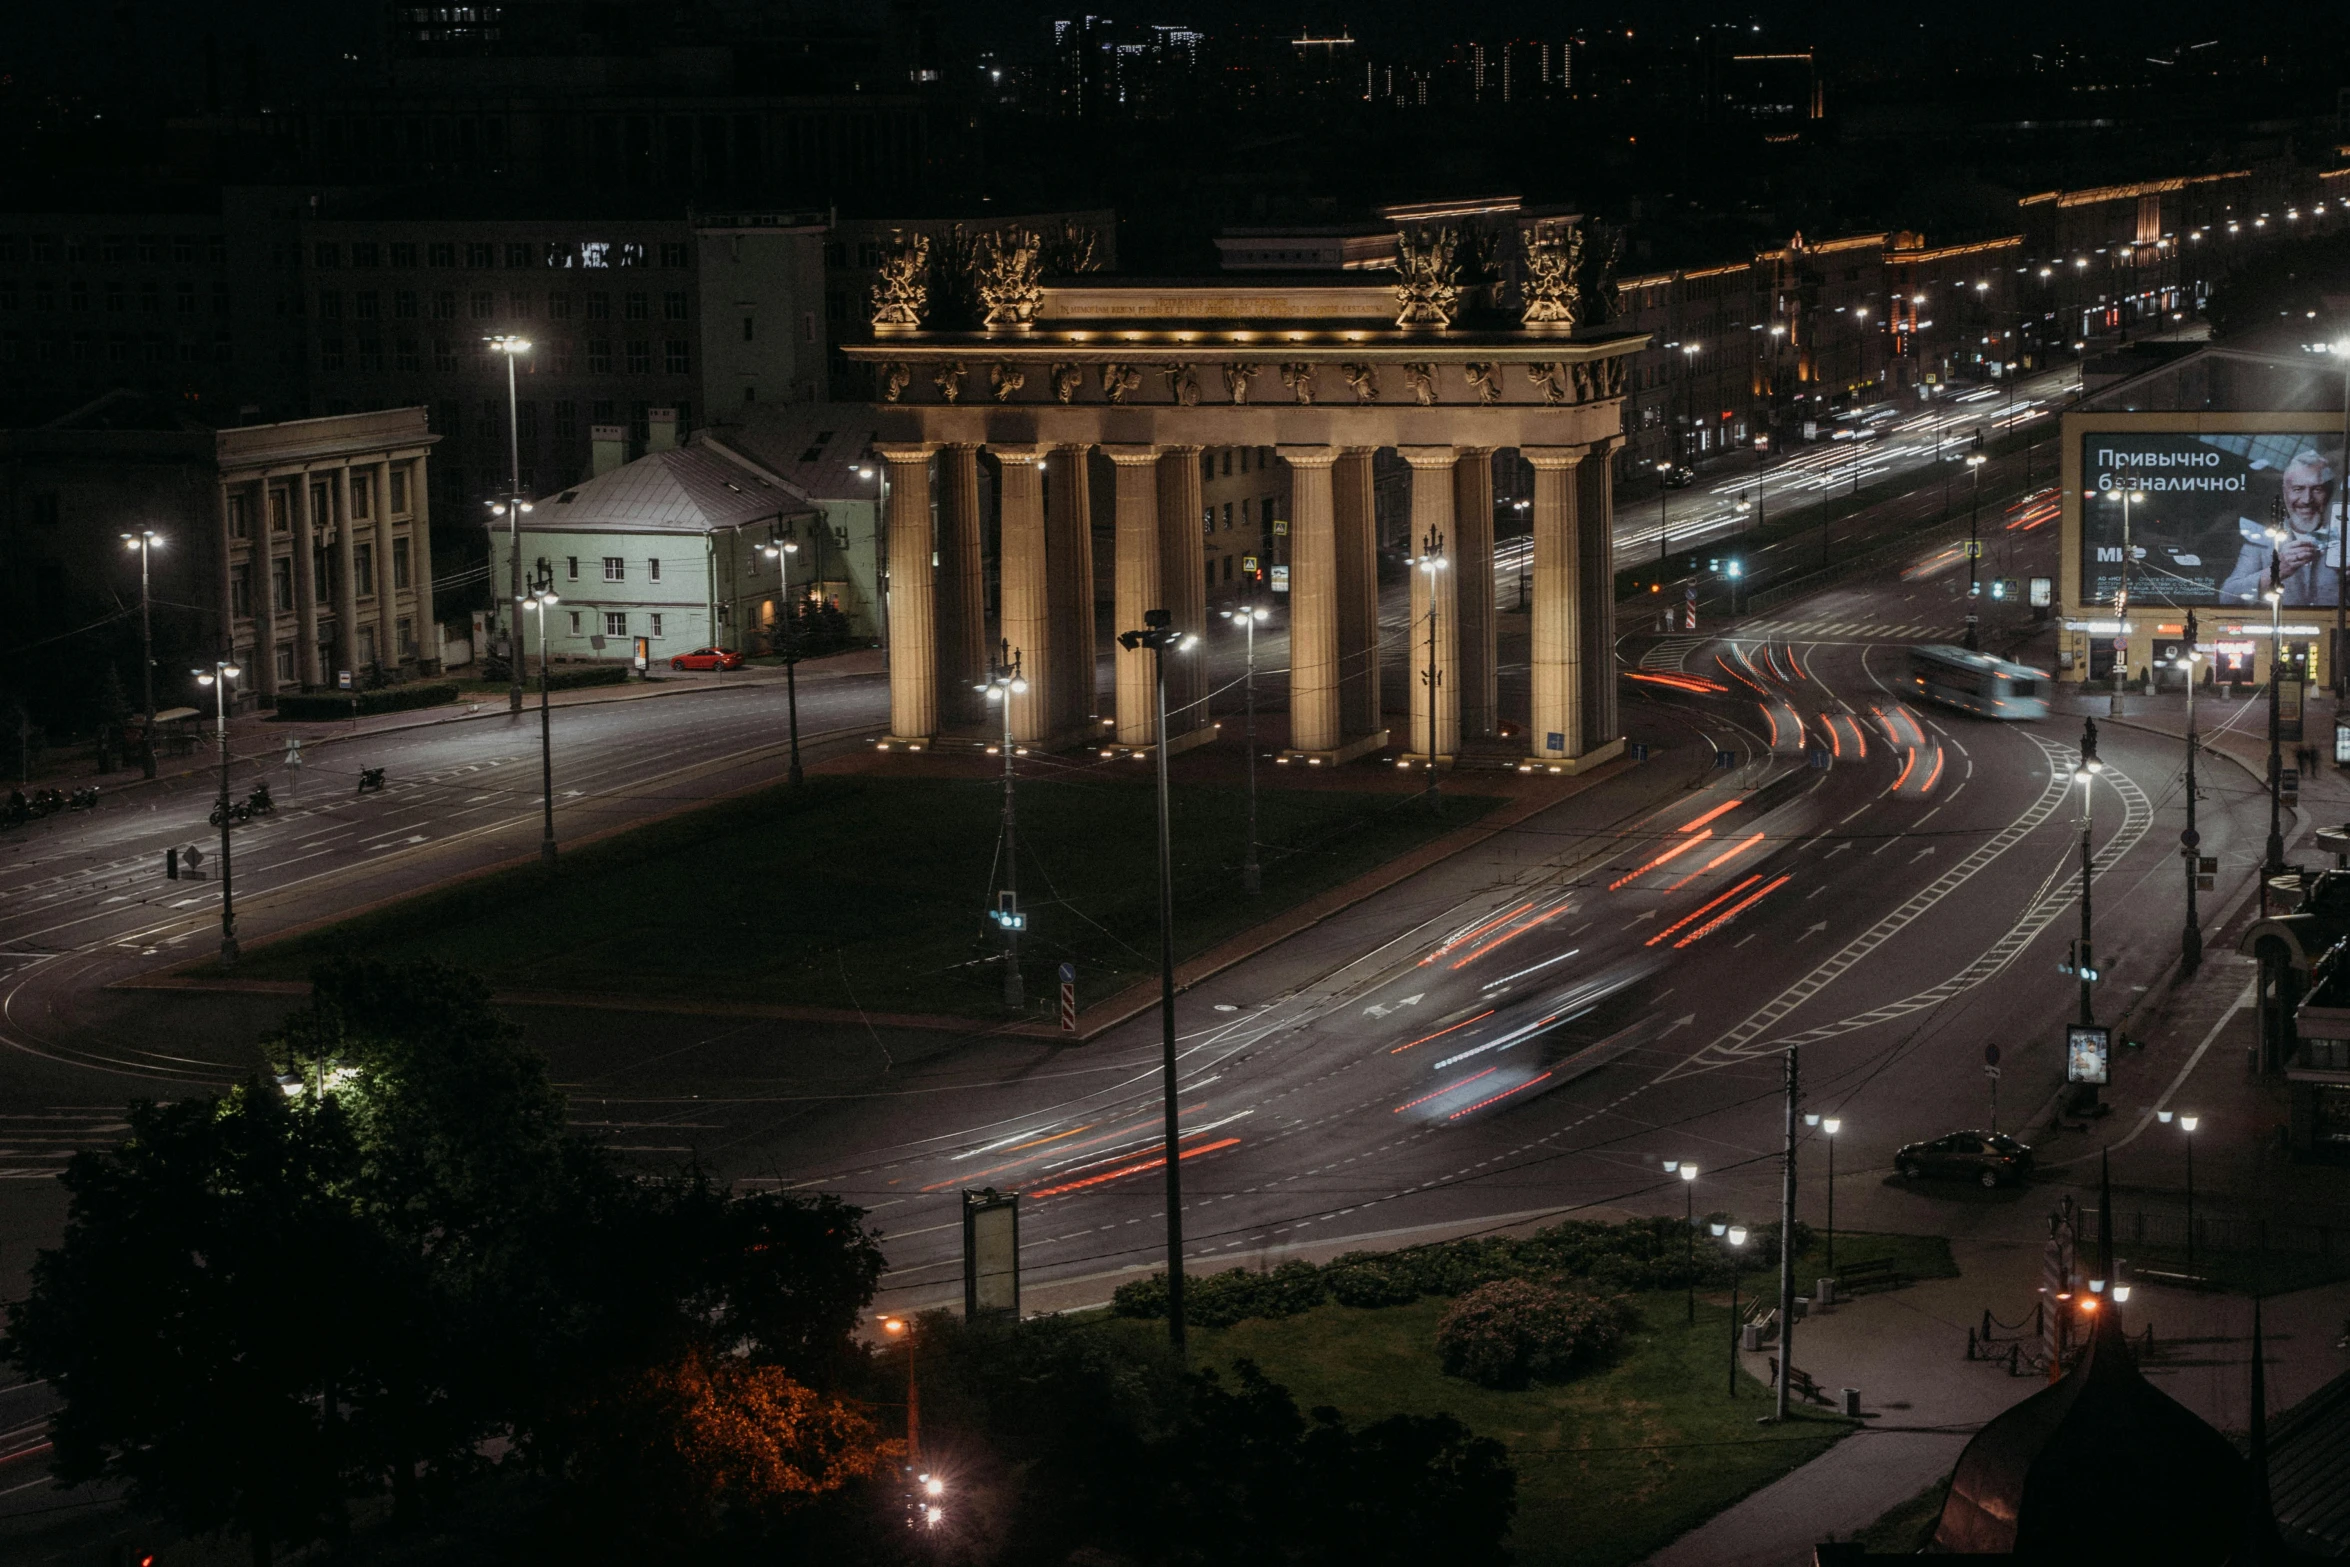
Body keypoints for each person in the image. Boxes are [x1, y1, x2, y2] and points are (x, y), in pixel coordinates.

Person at [2219, 450, 2342, 605]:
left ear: (2328, 493)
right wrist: (2277, 571)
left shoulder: (2346, 537)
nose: (2306, 500)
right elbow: (2226, 597)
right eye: (2298, 489)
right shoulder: (2262, 541)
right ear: (2285, 493)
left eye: (2317, 489)